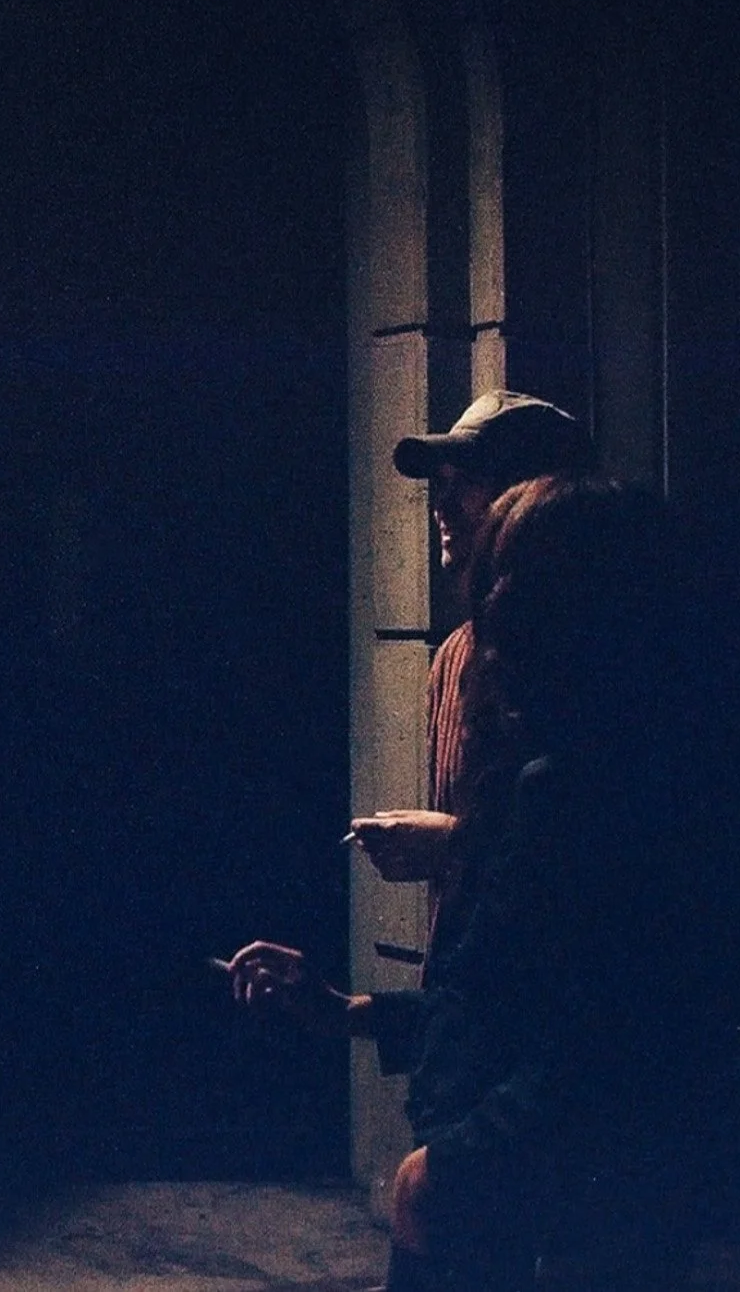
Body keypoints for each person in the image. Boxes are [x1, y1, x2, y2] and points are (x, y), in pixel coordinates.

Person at [229, 476, 706, 1290]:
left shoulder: (579, 792)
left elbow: (596, 1049)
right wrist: (350, 1010)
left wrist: (445, 1172)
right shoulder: (555, 775)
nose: (490, 622)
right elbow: (509, 1007)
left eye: (506, 588)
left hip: (539, 1227)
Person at [348, 390, 591, 902]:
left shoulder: (587, 655)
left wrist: (452, 843)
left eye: (470, 481)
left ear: (528, 495)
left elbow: (593, 852)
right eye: (443, 484)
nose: (444, 506)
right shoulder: (457, 653)